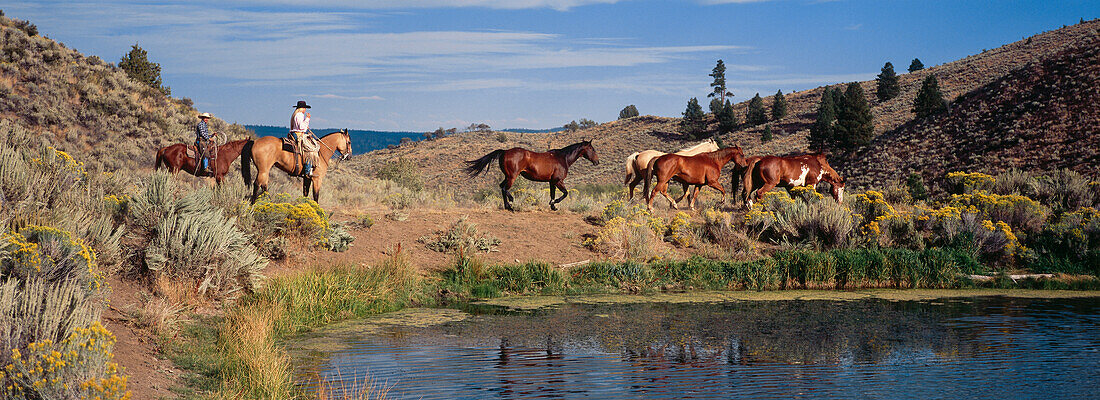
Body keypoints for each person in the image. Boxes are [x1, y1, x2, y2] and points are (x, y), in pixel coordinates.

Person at [290, 100, 320, 177]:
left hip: (295, 133)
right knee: (310, 149)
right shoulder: (300, 115)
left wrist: (305, 124)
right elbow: (301, 127)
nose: (305, 110)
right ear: (302, 108)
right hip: (299, 135)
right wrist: (307, 119)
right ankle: (307, 171)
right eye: (305, 108)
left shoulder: (295, 115)